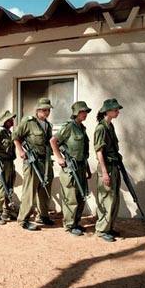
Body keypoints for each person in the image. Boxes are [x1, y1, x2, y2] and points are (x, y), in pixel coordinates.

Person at [50, 101, 92, 236]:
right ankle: (69, 225)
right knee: (71, 196)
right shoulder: (69, 127)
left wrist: (87, 169)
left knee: (81, 195)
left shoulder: (82, 128)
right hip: (70, 168)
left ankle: (76, 223)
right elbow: (53, 141)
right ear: (76, 113)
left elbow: (83, 151)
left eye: (86, 112)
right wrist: (59, 158)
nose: (85, 114)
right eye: (82, 112)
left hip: (80, 166)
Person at [13, 98, 55, 231]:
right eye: (44, 110)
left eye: (48, 110)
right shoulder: (28, 122)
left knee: (45, 188)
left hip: (45, 161)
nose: (46, 112)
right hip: (32, 161)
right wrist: (20, 151)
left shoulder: (48, 125)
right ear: (37, 110)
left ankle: (43, 215)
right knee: (29, 191)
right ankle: (23, 219)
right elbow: (16, 137)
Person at [94, 98, 124, 242]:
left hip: (114, 166)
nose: (117, 112)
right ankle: (101, 229)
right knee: (106, 199)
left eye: (117, 109)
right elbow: (99, 151)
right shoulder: (101, 128)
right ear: (107, 111)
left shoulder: (110, 126)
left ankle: (109, 227)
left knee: (114, 199)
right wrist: (105, 172)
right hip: (107, 167)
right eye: (115, 109)